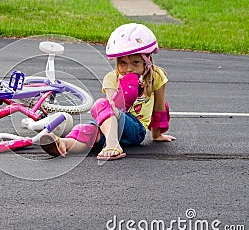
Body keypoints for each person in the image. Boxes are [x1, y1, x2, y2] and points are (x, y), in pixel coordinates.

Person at [39, 23, 176, 161]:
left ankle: (113, 145)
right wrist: (125, 88)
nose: (129, 69)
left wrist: (157, 135)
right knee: (89, 130)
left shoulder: (156, 76)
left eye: (135, 63)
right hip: (111, 124)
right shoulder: (111, 78)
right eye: (123, 63)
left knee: (101, 105)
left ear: (147, 62)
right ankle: (63, 144)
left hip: (135, 129)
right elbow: (113, 108)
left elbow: (160, 107)